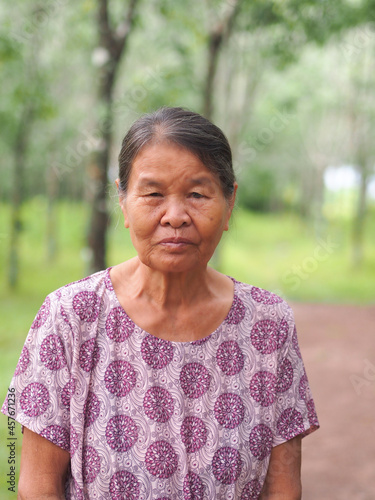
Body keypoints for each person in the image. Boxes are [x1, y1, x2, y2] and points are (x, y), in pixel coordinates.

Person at [2, 107, 319, 499]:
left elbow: (284, 487)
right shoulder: (70, 316)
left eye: (197, 195)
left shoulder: (268, 324)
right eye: (153, 194)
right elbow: (37, 486)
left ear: (230, 202)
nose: (175, 216)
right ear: (123, 201)